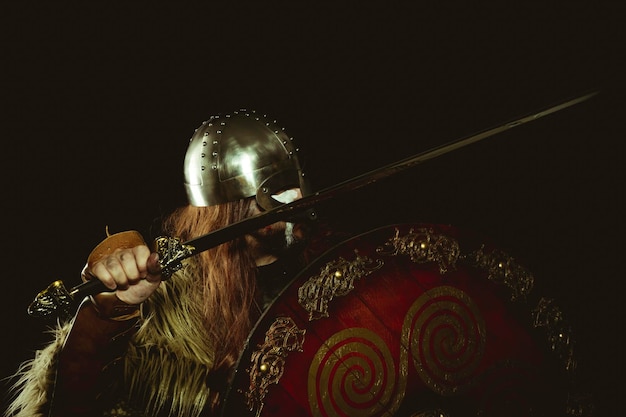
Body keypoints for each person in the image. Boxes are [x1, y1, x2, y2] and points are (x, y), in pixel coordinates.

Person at [4, 109, 343, 417]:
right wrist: (102, 318)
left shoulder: (338, 270)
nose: (297, 198)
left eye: (296, 182)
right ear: (228, 207)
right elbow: (69, 406)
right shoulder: (165, 306)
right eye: (276, 190)